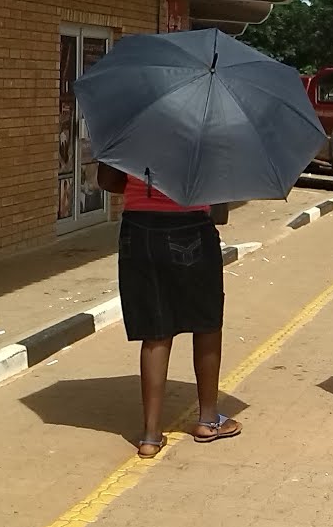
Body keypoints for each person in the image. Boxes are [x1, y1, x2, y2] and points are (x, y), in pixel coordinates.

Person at [97, 164, 241, 458]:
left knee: (155, 331)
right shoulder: (203, 126)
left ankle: (150, 435)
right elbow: (218, 184)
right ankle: (208, 419)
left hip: (137, 233)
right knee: (206, 323)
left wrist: (142, 186)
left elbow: (107, 180)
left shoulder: (131, 123)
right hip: (189, 228)